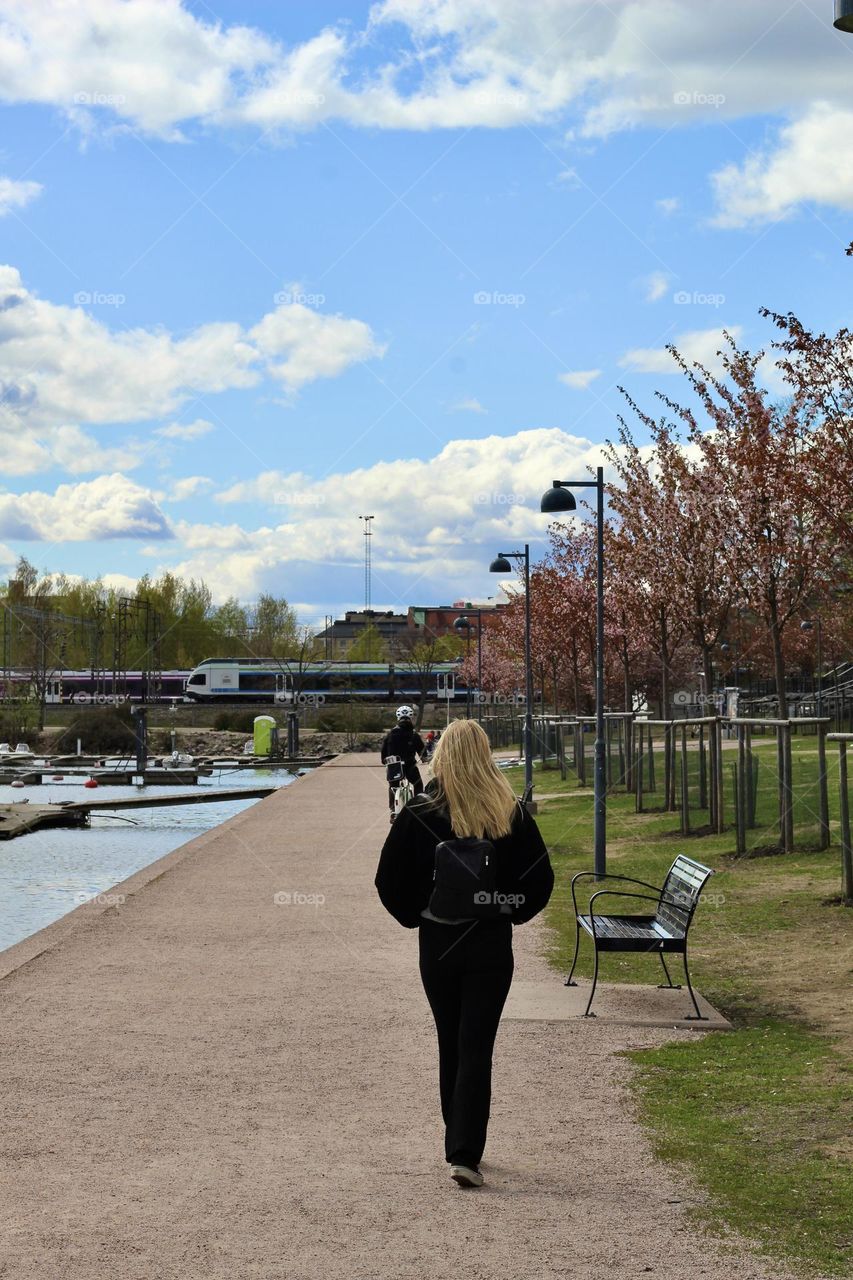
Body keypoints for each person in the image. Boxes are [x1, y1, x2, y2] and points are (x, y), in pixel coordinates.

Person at [375, 718, 554, 1189]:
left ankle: (455, 1137)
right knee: (478, 1043)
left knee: (449, 1038)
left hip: (438, 943)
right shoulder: (508, 812)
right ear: (486, 753)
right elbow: (539, 881)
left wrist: (418, 914)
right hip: (490, 943)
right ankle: (465, 1150)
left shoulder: (421, 810)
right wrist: (507, 909)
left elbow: (388, 880)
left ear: (442, 755)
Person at [380, 705, 425, 817]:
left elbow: (383, 753)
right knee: (418, 784)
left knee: (393, 786)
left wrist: (385, 761)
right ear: (411, 718)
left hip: (394, 767)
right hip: (410, 766)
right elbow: (422, 751)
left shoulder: (390, 734)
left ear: (398, 718)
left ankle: (392, 810)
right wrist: (424, 758)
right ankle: (418, 808)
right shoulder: (414, 735)